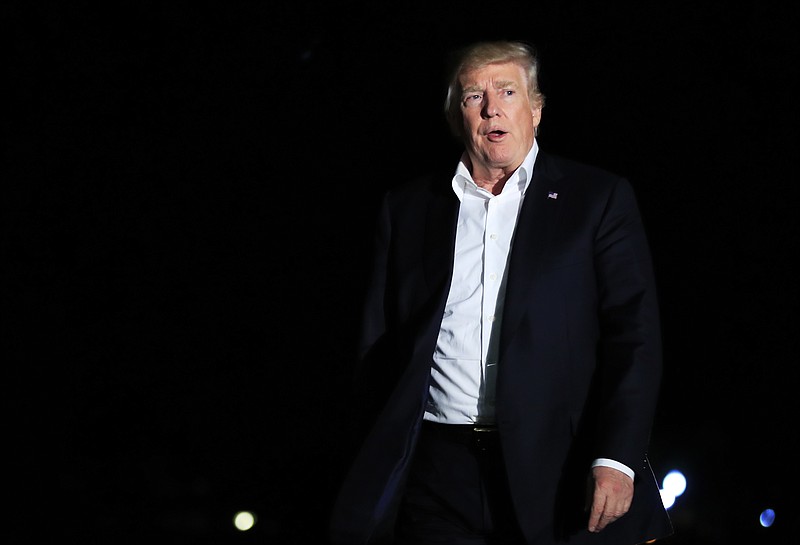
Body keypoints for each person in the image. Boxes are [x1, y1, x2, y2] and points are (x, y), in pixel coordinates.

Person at [329, 40, 673, 545]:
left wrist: (617, 457)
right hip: (437, 471)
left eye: (507, 91)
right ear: (456, 115)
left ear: (535, 108)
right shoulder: (406, 209)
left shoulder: (595, 199)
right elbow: (376, 344)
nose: (492, 107)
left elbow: (635, 337)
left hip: (558, 468)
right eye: (473, 96)